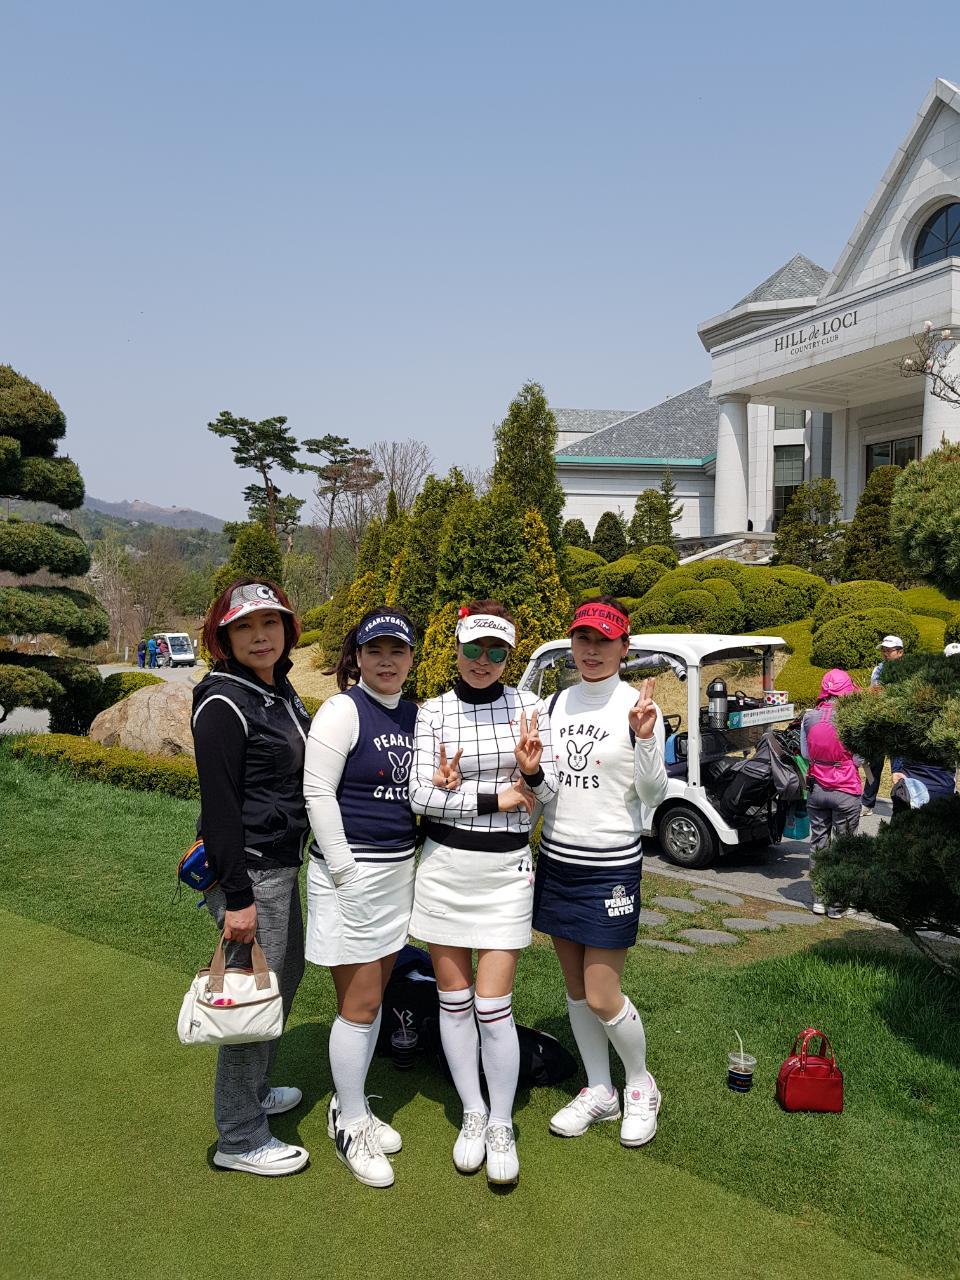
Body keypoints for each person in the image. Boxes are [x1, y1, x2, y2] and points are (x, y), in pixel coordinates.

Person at [408, 601, 558, 1187]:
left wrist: (533, 774)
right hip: (445, 867)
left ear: (509, 656)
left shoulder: (529, 707)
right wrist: (498, 796)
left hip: (505, 874)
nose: (483, 660)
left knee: (494, 1006)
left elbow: (547, 795)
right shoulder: (433, 712)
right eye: (474, 648)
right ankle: (472, 1111)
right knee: (454, 1000)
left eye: (497, 651)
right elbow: (420, 797)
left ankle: (500, 1121)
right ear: (457, 648)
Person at [533, 598, 668, 1148]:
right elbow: (546, 787)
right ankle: (599, 1088)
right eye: (583, 639)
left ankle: (639, 1084)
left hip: (611, 867)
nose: (591, 650)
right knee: (575, 989)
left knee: (602, 992)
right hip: (558, 861)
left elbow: (653, 794)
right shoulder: (554, 704)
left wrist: (644, 738)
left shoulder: (637, 707)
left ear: (624, 648)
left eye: (604, 641)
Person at [191, 579, 312, 1177]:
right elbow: (220, 809)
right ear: (224, 637)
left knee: (283, 976)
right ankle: (239, 1137)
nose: (260, 635)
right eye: (244, 626)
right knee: (251, 996)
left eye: (270, 623)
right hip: (251, 873)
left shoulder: (276, 690)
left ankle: (253, 1092)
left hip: (279, 865)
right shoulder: (223, 703)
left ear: (287, 629)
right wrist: (238, 898)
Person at [302, 607, 419, 1190]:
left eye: (397, 651)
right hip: (350, 873)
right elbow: (317, 793)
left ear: (412, 657)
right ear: (358, 656)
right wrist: (346, 875)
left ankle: (350, 1105)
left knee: (370, 998)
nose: (386, 661)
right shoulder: (343, 710)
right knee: (361, 1002)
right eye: (375, 651)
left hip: (397, 873)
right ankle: (351, 1123)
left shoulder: (416, 714)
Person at [801, 669, 863, 917]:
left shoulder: (809, 717)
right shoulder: (852, 718)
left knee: (819, 844)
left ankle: (819, 899)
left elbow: (805, 754)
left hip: (817, 789)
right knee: (844, 847)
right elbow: (859, 758)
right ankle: (837, 905)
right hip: (845, 789)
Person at [861, 635, 904, 815]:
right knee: (873, 766)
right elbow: (873, 692)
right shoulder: (878, 669)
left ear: (900, 652)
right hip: (879, 723)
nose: (885, 653)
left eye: (889, 650)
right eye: (883, 650)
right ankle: (867, 803)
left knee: (899, 769)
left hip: (898, 725)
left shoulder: (908, 670)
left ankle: (901, 805)